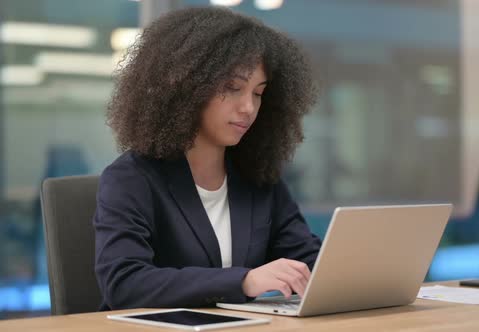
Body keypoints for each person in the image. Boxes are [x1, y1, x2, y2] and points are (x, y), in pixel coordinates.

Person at [94, 6, 321, 310]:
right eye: (233, 88)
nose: (248, 108)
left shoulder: (257, 176)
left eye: (258, 93)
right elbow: (124, 284)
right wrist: (243, 281)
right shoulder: (131, 179)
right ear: (187, 86)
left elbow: (305, 257)